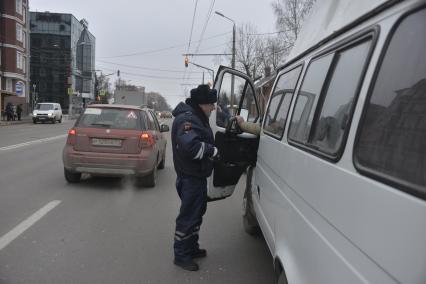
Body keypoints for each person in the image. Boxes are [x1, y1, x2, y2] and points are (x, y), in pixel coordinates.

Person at [171, 84, 219, 271]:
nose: (213, 108)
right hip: (190, 178)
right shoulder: (188, 120)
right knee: (188, 217)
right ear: (202, 104)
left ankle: (191, 247)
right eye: (211, 104)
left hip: (196, 177)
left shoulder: (197, 116)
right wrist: (212, 151)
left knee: (196, 215)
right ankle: (181, 255)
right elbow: (190, 147)